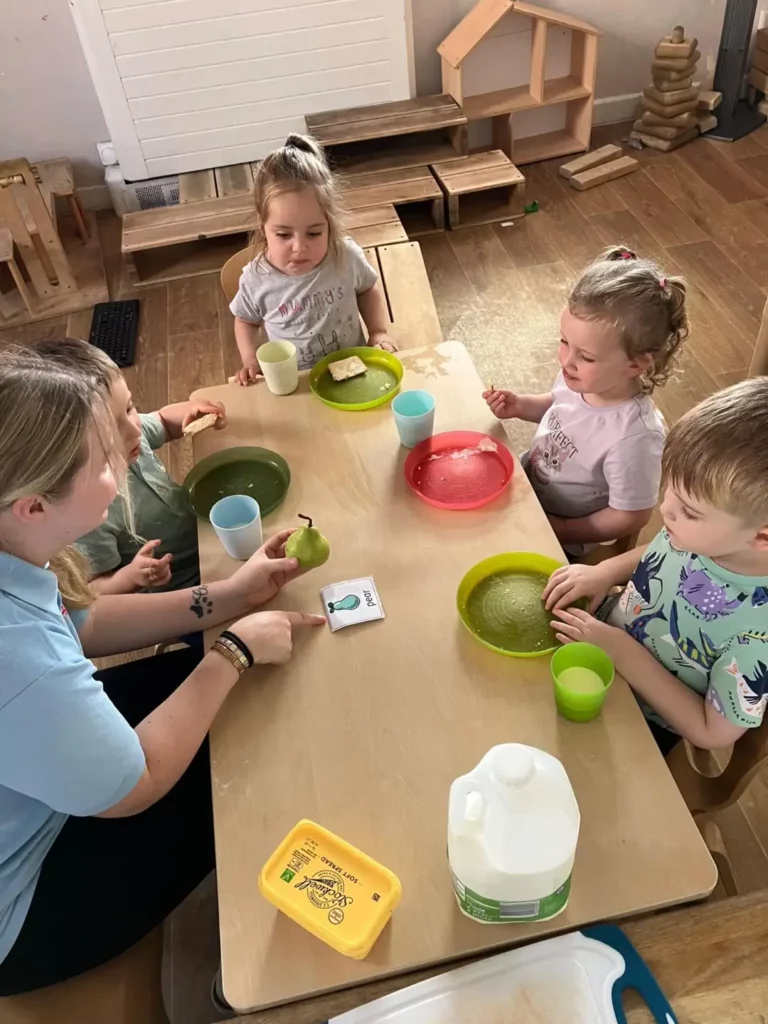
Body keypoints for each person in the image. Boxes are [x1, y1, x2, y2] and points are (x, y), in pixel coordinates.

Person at [0, 344, 325, 995]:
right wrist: (232, 650)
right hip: (27, 905)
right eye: (103, 460)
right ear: (33, 504)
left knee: (217, 699)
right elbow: (136, 781)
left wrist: (230, 595)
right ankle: (266, 982)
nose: (123, 463)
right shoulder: (18, 658)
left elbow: (83, 626)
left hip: (40, 793)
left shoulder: (20, 550)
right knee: (244, 772)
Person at [543, 378, 768, 754]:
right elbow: (664, 549)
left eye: (688, 512)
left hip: (639, 720)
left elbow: (711, 733)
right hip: (602, 635)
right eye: (671, 491)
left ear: (762, 538)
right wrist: (606, 572)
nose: (664, 511)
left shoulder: (757, 639)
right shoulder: (701, 535)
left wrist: (621, 652)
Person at [484, 246, 688, 555]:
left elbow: (631, 515)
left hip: (562, 535)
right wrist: (520, 405)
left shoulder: (635, 437)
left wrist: (562, 530)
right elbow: (558, 406)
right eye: (564, 342)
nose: (566, 360)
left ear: (635, 364)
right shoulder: (580, 377)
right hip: (526, 486)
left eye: (586, 357)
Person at [33, 337, 223, 595]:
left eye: (130, 408)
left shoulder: (131, 435)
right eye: (111, 428)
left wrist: (191, 411)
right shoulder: (89, 513)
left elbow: (164, 422)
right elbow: (95, 589)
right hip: (183, 589)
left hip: (209, 538)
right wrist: (131, 577)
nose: (134, 429)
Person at [230, 133, 396, 385]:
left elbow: (367, 288)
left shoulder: (345, 256)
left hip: (354, 370)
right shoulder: (256, 279)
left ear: (330, 224)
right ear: (263, 226)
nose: (299, 247)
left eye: (314, 233)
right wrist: (250, 360)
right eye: (284, 234)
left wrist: (378, 331)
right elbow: (244, 319)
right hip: (297, 383)